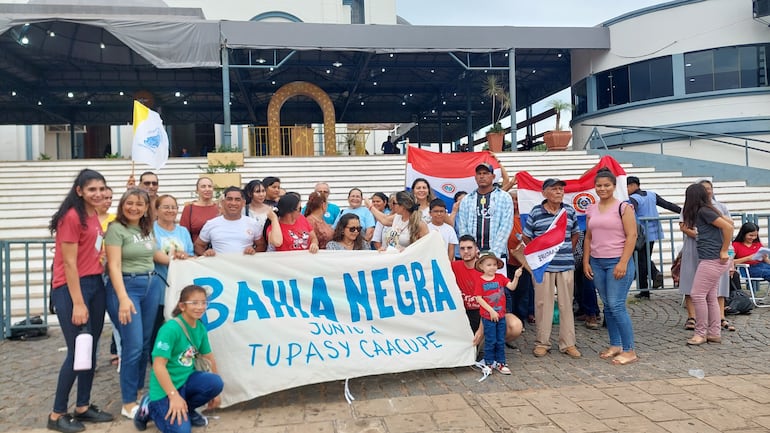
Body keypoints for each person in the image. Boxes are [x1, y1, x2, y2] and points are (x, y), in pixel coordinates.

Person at [47, 169, 114, 433]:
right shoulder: (72, 217)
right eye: (92, 190)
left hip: (95, 284)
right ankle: (56, 414)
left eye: (101, 189)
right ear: (80, 191)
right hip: (72, 288)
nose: (97, 194)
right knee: (77, 350)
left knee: (90, 346)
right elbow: (69, 263)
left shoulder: (96, 216)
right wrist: (78, 302)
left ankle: (83, 406)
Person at [104, 187, 168, 419]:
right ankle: (128, 401)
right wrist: (122, 298)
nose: (134, 208)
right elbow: (114, 266)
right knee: (131, 346)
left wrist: (181, 260)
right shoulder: (115, 229)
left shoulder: (147, 228)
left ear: (146, 208)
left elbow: (155, 255)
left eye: (139, 204)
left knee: (143, 344)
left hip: (151, 286)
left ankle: (139, 390)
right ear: (122, 205)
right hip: (126, 288)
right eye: (129, 203)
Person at [133, 285, 224, 433]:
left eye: (203, 302)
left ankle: (187, 409)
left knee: (215, 382)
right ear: (182, 306)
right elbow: (158, 366)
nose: (200, 307)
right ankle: (148, 407)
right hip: (165, 390)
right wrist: (173, 396)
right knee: (181, 431)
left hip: (186, 381)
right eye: (194, 303)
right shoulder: (170, 329)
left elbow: (209, 357)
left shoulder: (200, 328)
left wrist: (217, 393)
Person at [583, 168, 639, 365]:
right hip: (597, 262)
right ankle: (615, 344)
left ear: (614, 187)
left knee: (616, 305)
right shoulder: (591, 208)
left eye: (607, 185)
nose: (602, 188)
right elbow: (588, 237)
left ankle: (629, 349)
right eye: (599, 185)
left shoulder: (623, 207)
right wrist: (586, 261)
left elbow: (632, 235)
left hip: (617, 261)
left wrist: (623, 262)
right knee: (606, 305)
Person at [522, 178, 581, 359]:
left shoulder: (569, 211)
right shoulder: (536, 212)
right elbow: (527, 237)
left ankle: (568, 343)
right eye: (555, 189)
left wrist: (563, 251)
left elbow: (575, 234)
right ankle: (542, 342)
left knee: (566, 305)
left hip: (565, 265)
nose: (559, 192)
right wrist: (540, 255)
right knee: (542, 305)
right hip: (543, 268)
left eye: (561, 189)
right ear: (544, 193)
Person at [451, 235, 523, 362]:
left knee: (515, 325)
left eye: (469, 248)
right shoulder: (453, 266)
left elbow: (491, 302)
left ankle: (492, 340)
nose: (466, 251)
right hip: (464, 314)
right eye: (462, 248)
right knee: (464, 353)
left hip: (486, 312)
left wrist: (481, 329)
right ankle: (484, 340)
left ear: (476, 249)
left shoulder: (486, 271)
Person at [681, 183, 734, 346]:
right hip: (712, 257)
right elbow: (729, 222)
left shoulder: (704, 211)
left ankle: (700, 333)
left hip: (712, 258)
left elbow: (728, 227)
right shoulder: (708, 210)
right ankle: (714, 332)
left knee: (697, 294)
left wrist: (724, 250)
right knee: (710, 296)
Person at [626, 176, 682, 298]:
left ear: (633, 185)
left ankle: (646, 286)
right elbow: (667, 205)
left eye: (627, 186)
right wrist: (682, 211)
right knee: (645, 258)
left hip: (639, 234)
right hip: (653, 232)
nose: (626, 189)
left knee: (640, 261)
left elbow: (629, 211)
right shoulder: (651, 194)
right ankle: (651, 279)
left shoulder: (633, 199)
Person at [457, 162, 514, 271]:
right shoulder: (467, 199)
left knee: (495, 287)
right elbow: (463, 226)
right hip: (473, 256)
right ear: (475, 177)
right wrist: (471, 250)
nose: (482, 176)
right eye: (479, 173)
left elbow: (506, 226)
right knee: (473, 287)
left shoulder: (504, 197)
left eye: (486, 173)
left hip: (497, 255)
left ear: (493, 176)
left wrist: (493, 253)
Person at [474, 251, 523, 375]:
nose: (492, 267)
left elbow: (511, 287)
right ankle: (489, 363)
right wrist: (490, 311)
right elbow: (478, 298)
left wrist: (516, 277)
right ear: (482, 266)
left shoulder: (500, 278)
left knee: (500, 340)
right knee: (490, 340)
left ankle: (501, 362)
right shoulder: (480, 281)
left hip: (501, 316)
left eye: (494, 264)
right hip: (488, 317)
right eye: (489, 265)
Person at [194, 187, 269, 256]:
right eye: (229, 199)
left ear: (243, 203)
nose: (233, 203)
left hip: (245, 268)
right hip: (218, 269)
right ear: (223, 202)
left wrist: (254, 251)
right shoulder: (211, 224)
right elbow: (198, 245)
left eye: (237, 199)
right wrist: (206, 254)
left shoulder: (253, 223)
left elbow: (262, 245)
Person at [506, 191, 535, 327]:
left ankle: (521, 318)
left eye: (517, 200)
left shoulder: (526, 219)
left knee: (523, 291)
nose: (515, 203)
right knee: (509, 291)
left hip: (523, 262)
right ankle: (510, 318)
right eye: (512, 200)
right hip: (507, 261)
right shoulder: (504, 217)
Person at [179, 177, 219, 246]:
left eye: (210, 186)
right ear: (197, 190)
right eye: (203, 187)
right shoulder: (189, 209)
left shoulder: (219, 208)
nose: (207, 189)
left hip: (218, 251)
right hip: (196, 252)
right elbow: (183, 234)